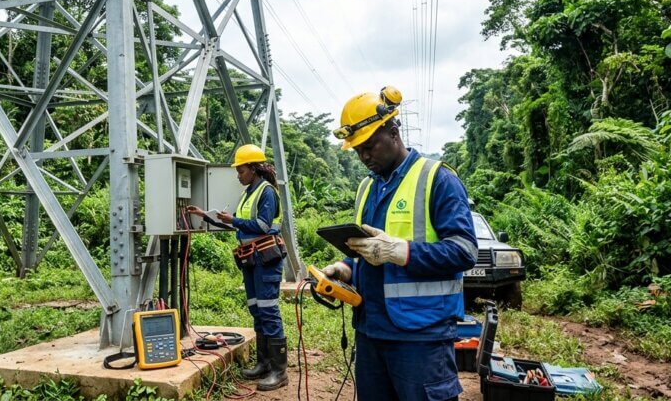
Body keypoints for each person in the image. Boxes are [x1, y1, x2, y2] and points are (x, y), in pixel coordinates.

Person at [321, 87, 478, 401]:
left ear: (394, 131)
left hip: (421, 336)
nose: (364, 156)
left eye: (369, 146)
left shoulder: (438, 179)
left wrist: (400, 251)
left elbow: (465, 251)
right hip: (370, 332)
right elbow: (367, 251)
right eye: (357, 150)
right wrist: (344, 268)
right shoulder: (367, 187)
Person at [185, 144, 288, 391]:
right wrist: (206, 216)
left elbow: (262, 226)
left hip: (266, 258)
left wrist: (234, 220)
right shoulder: (248, 193)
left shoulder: (267, 192)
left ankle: (279, 371)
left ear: (253, 169)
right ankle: (263, 364)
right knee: (256, 310)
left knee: (268, 311)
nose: (238, 175)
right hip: (252, 259)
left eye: (241, 170)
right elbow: (238, 226)